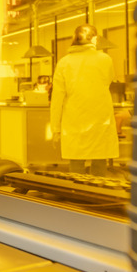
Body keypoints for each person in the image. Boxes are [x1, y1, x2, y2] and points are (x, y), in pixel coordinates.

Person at [50, 24, 119, 177]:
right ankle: (98, 195)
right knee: (100, 163)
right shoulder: (105, 59)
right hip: (100, 119)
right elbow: (108, 81)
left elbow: (57, 98)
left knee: (76, 165)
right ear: (94, 39)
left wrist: (55, 128)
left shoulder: (64, 63)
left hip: (75, 119)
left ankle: (76, 195)